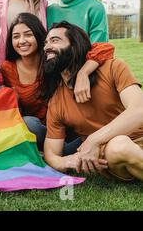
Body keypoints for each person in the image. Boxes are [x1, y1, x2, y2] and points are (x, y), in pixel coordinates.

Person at [42, 21, 143, 181]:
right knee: (118, 146)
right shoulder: (56, 100)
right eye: (46, 42)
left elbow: (139, 110)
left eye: (55, 40)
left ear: (75, 47)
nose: (47, 47)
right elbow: (51, 153)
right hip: (111, 154)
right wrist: (69, 160)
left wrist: (93, 140)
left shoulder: (113, 68)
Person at [1, 13, 113, 152]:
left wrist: (84, 73)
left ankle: (72, 149)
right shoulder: (7, 68)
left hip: (70, 126)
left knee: (88, 133)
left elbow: (105, 48)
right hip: (41, 130)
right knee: (28, 123)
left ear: (38, 36)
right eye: (16, 36)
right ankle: (62, 151)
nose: (22, 41)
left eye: (28, 34)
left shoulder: (52, 57)